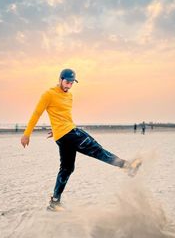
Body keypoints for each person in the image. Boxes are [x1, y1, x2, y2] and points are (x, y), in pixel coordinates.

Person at [21, 69, 142, 211]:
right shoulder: (49, 94)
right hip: (69, 134)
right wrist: (26, 134)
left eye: (72, 83)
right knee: (97, 150)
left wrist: (56, 130)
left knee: (67, 168)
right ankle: (128, 166)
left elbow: (63, 116)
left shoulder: (70, 96)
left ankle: (55, 202)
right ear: (60, 79)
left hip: (63, 135)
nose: (69, 85)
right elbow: (37, 113)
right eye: (67, 82)